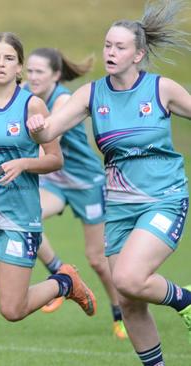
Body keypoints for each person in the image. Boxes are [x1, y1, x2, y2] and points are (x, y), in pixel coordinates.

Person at [26, 1, 191, 364]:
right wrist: (38, 129)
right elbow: (50, 130)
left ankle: (186, 300)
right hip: (119, 208)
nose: (110, 52)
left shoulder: (161, 89)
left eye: (119, 47)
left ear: (138, 54)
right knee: (130, 302)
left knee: (131, 279)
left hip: (163, 200)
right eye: (107, 45)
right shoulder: (91, 94)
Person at [0, 32, 98, 366]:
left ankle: (64, 282)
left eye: (8, 58)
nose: (0, 64)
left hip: (19, 214)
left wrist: (24, 162)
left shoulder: (31, 105)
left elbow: (55, 159)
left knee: (12, 309)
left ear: (19, 67)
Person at [24, 48, 127, 339]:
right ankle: (61, 273)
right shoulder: (25, 96)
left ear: (55, 75)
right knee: (27, 218)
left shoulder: (64, 99)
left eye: (39, 72)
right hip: (54, 180)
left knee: (97, 259)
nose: (32, 77)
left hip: (86, 183)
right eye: (29, 71)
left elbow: (48, 132)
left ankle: (119, 311)